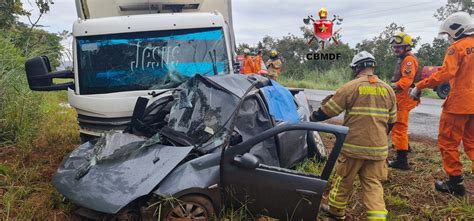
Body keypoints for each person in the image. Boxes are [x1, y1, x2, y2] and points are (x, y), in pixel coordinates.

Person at [312, 51, 397, 220]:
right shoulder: (388, 90)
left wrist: (312, 118)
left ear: (357, 67)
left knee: (343, 179)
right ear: (372, 66)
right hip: (378, 149)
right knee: (373, 184)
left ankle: (336, 211)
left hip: (352, 148)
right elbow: (392, 121)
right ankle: (378, 218)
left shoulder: (351, 87)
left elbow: (329, 110)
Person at [410, 12, 474, 197]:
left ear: (456, 29)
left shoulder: (457, 48)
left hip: (458, 104)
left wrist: (420, 85)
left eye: (448, 34)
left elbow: (446, 73)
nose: (448, 38)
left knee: (448, 142)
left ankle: (455, 184)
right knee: (472, 142)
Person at [387, 32, 420, 170]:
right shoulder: (404, 58)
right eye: (394, 47)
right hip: (402, 97)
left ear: (407, 46)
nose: (396, 49)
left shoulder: (408, 60)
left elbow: (406, 81)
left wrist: (389, 87)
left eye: (399, 47)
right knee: (400, 126)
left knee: (399, 128)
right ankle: (405, 148)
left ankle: (402, 161)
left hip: (404, 98)